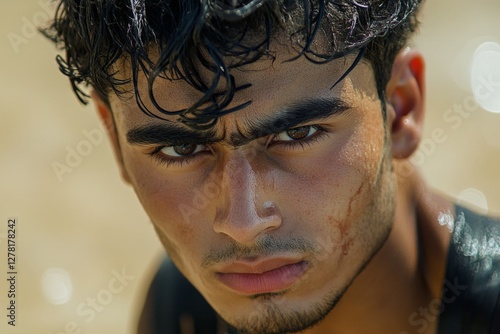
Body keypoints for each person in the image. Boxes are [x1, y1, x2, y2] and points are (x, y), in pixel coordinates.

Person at [43, 0, 500, 333]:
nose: (243, 225)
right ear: (113, 138)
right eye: (180, 151)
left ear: (400, 107)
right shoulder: (181, 310)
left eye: (296, 135)